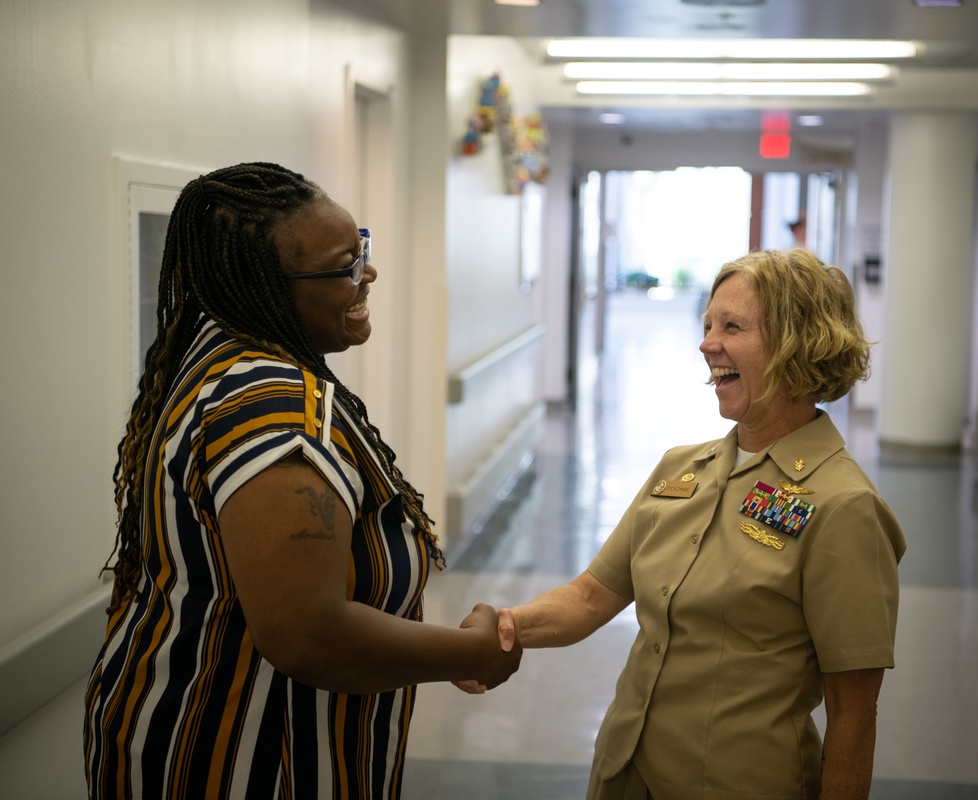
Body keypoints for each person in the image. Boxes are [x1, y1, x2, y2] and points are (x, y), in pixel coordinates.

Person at [84, 162, 521, 799]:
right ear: (267, 287)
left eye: (360, 250)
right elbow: (307, 634)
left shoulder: (218, 356)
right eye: (345, 265)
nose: (367, 273)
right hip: (240, 765)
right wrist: (472, 654)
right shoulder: (278, 414)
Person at [471, 248, 906, 800]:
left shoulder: (844, 507)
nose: (706, 344)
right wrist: (505, 627)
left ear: (799, 342)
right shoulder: (681, 469)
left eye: (732, 326)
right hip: (623, 774)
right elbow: (587, 599)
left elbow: (853, 713)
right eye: (706, 325)